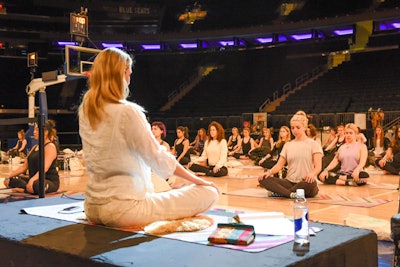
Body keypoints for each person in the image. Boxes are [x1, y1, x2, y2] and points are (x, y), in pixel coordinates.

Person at [78, 48, 218, 228]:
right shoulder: (127, 111)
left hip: (92, 208)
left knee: (157, 190)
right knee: (209, 193)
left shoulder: (86, 109)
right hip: (124, 210)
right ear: (121, 74)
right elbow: (158, 159)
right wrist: (199, 181)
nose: (129, 79)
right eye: (128, 73)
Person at [258, 111, 323, 198]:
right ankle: (291, 194)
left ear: (305, 127)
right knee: (263, 179)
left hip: (306, 183)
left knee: (310, 183)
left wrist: (312, 174)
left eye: (298, 127)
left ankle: (282, 192)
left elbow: (318, 167)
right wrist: (269, 173)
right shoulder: (288, 145)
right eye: (292, 128)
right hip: (289, 182)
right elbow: (279, 165)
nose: (295, 130)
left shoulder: (313, 144)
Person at [3, 120, 59, 194]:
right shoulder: (34, 147)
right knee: (12, 179)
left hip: (47, 180)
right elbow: (23, 167)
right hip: (33, 179)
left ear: (45, 132)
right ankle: (28, 188)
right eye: (34, 129)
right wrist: (8, 177)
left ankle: (25, 190)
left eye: (37, 130)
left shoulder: (50, 147)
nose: (34, 132)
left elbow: (44, 168)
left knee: (36, 185)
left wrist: (32, 180)